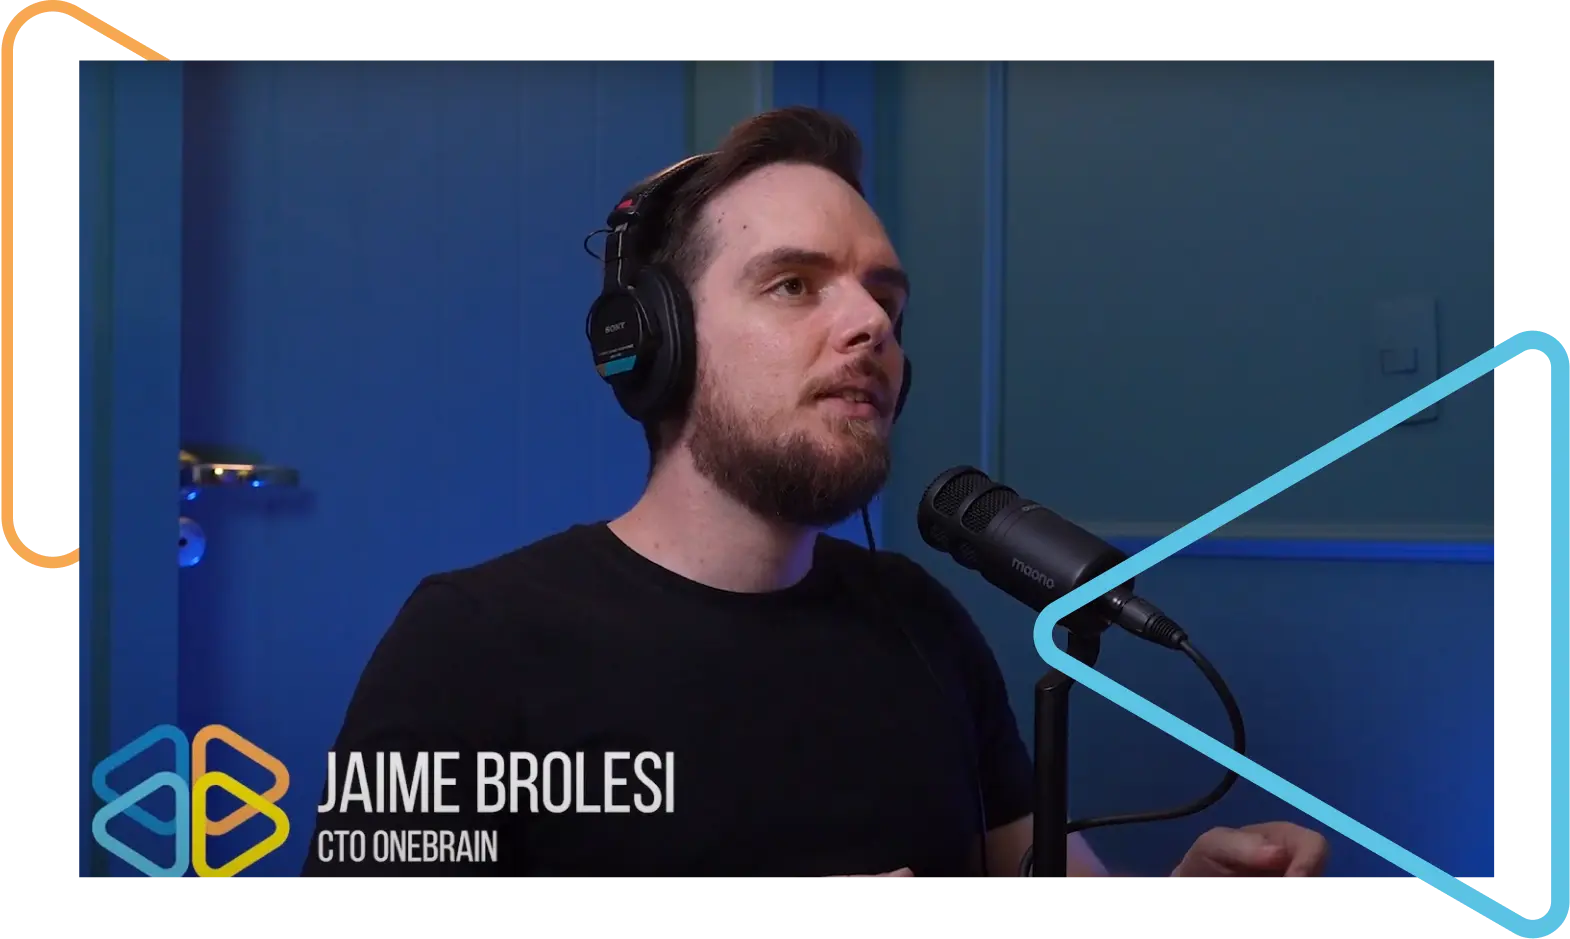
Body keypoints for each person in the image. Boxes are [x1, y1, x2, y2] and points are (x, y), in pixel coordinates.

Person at [300, 106, 1329, 881]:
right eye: (794, 284)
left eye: (885, 298)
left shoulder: (916, 619)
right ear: (651, 344)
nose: (871, 327)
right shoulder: (473, 644)